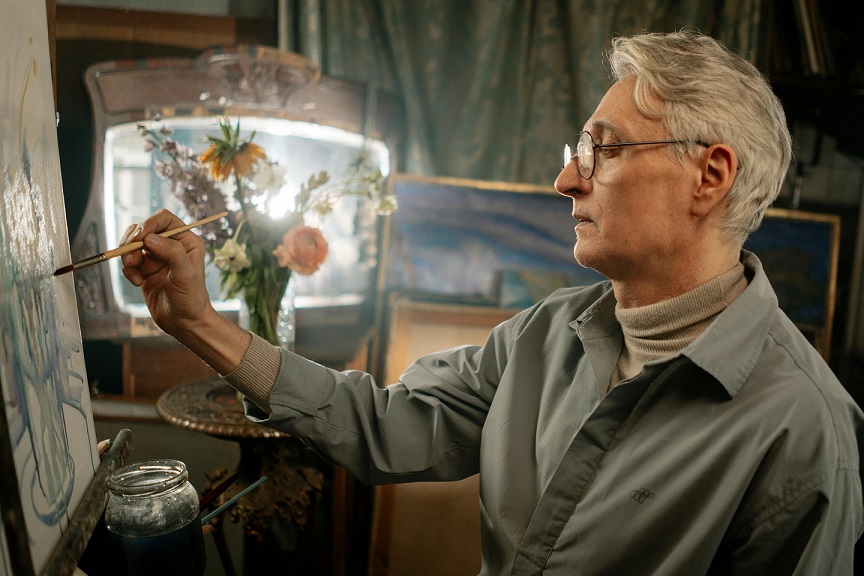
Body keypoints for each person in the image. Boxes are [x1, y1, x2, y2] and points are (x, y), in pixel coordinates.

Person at [121, 30, 863, 575]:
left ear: (710, 175)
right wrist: (197, 323)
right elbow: (385, 425)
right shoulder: (545, 334)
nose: (566, 181)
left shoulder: (803, 430)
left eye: (601, 149)